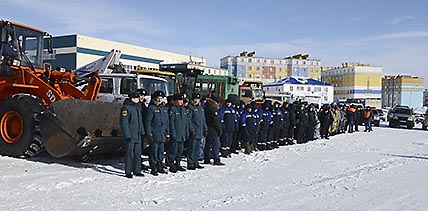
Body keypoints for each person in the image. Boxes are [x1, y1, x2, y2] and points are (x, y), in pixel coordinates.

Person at [120, 91, 145, 178]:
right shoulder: (126, 108)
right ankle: (128, 171)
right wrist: (127, 135)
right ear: (132, 98)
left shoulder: (137, 107)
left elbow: (140, 121)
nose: (139, 99)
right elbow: (124, 123)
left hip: (137, 135)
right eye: (137, 98)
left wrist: (142, 132)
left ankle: (137, 170)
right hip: (130, 135)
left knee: (137, 154)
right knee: (129, 154)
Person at [145, 90, 169, 176]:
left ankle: (160, 165)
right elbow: (148, 122)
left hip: (162, 134)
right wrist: (149, 134)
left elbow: (166, 122)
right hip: (154, 134)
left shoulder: (164, 108)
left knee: (161, 151)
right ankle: (153, 166)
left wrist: (167, 132)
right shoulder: (151, 108)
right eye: (158, 98)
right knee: (154, 151)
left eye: (161, 98)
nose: (159, 100)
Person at [167, 93, 190, 173]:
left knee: (180, 150)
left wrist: (186, 132)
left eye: (182, 100)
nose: (181, 102)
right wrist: (172, 133)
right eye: (179, 100)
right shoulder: (172, 109)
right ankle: (171, 163)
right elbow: (171, 123)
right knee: (173, 150)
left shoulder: (183, 110)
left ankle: (178, 163)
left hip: (182, 134)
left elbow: (186, 122)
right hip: (176, 133)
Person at [187, 93, 208, 170]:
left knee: (197, 148)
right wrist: (192, 129)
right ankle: (190, 163)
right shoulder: (190, 108)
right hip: (194, 131)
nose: (196, 100)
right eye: (195, 99)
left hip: (200, 131)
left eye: (197, 99)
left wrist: (205, 129)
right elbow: (189, 120)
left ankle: (196, 162)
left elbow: (203, 120)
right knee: (192, 148)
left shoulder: (200, 108)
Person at [203, 96, 224, 166]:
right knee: (215, 145)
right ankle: (216, 159)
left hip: (208, 129)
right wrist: (219, 130)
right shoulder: (213, 109)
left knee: (208, 145)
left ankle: (206, 158)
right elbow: (216, 121)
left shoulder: (206, 107)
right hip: (214, 130)